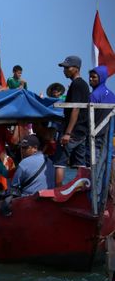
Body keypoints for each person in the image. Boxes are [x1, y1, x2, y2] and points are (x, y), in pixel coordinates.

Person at [52, 56, 90, 186]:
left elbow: (76, 108)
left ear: (76, 69)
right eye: (64, 68)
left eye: (67, 68)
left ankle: (58, 191)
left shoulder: (77, 84)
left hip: (72, 132)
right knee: (81, 164)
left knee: (59, 163)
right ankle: (82, 192)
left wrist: (67, 133)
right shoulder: (83, 84)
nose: (65, 70)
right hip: (81, 132)